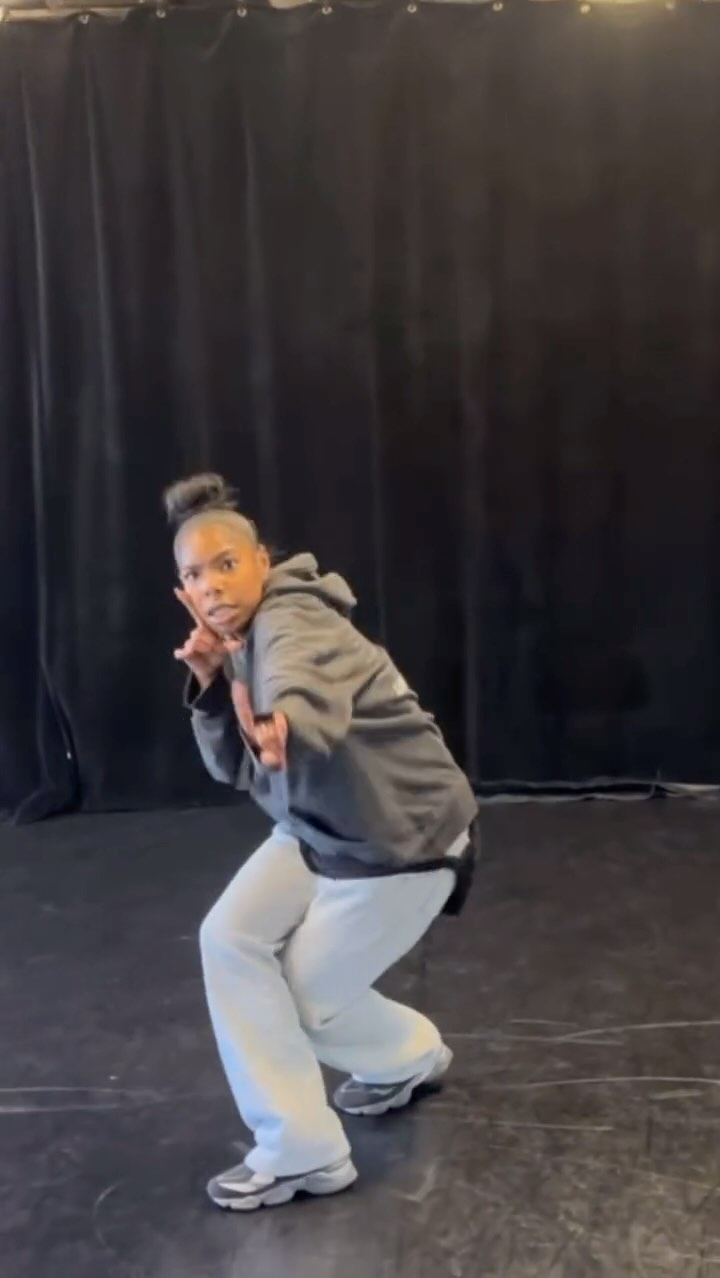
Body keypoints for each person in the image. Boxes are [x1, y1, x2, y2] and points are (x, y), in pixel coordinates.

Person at [166, 472, 479, 1212]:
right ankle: (353, 1101)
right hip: (320, 826)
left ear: (262, 561)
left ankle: (332, 1126)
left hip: (403, 841)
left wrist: (286, 725)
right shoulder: (238, 640)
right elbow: (237, 771)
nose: (211, 585)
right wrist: (213, 687)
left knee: (306, 1004)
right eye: (194, 574)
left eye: (226, 564)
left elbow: (303, 691)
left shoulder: (294, 621)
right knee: (228, 937)